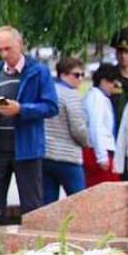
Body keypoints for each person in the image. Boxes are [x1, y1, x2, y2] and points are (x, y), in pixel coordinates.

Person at [0, 26, 58, 218]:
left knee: (32, 206)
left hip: (27, 148)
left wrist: (21, 109)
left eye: (8, 48)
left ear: (20, 44)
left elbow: (51, 107)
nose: (4, 54)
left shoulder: (38, 72)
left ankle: (36, 245)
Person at [42, 58, 89, 204]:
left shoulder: (47, 92)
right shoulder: (71, 95)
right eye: (76, 75)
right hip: (68, 156)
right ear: (63, 74)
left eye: (82, 75)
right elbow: (78, 128)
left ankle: (48, 228)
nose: (80, 79)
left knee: (48, 204)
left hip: (46, 154)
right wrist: (86, 142)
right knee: (79, 202)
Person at [83, 63, 122, 188]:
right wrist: (101, 157)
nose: (113, 87)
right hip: (98, 151)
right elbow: (96, 127)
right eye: (112, 82)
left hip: (99, 150)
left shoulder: (99, 97)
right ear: (103, 81)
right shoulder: (96, 98)